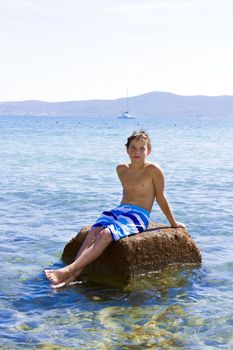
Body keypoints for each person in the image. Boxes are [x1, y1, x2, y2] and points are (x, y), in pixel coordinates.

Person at [45, 130, 185, 288]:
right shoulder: (121, 169)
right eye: (133, 148)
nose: (137, 152)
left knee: (106, 234)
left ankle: (69, 270)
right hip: (120, 210)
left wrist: (173, 223)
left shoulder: (154, 170)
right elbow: (128, 194)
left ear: (149, 151)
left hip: (139, 215)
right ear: (127, 150)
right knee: (93, 231)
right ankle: (74, 273)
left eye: (142, 148)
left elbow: (160, 197)